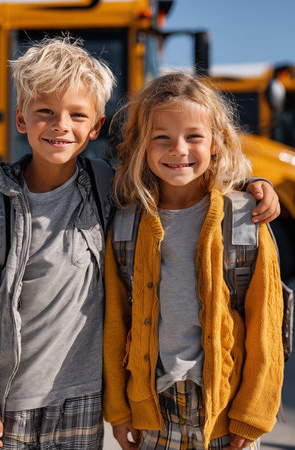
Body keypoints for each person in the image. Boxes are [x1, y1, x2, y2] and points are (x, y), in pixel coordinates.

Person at [0, 36, 115, 449]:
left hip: (84, 398)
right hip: (10, 402)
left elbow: (181, 180)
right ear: (21, 119)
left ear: (95, 126)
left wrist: (254, 185)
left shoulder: (107, 188)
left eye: (77, 115)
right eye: (45, 112)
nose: (61, 125)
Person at [103, 72, 284, 450]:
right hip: (151, 413)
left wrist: (252, 416)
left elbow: (267, 324)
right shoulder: (124, 224)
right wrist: (119, 411)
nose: (179, 149)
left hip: (224, 413)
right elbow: (114, 321)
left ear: (216, 142)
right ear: (140, 145)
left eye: (194, 136)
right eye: (162, 137)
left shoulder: (245, 220)